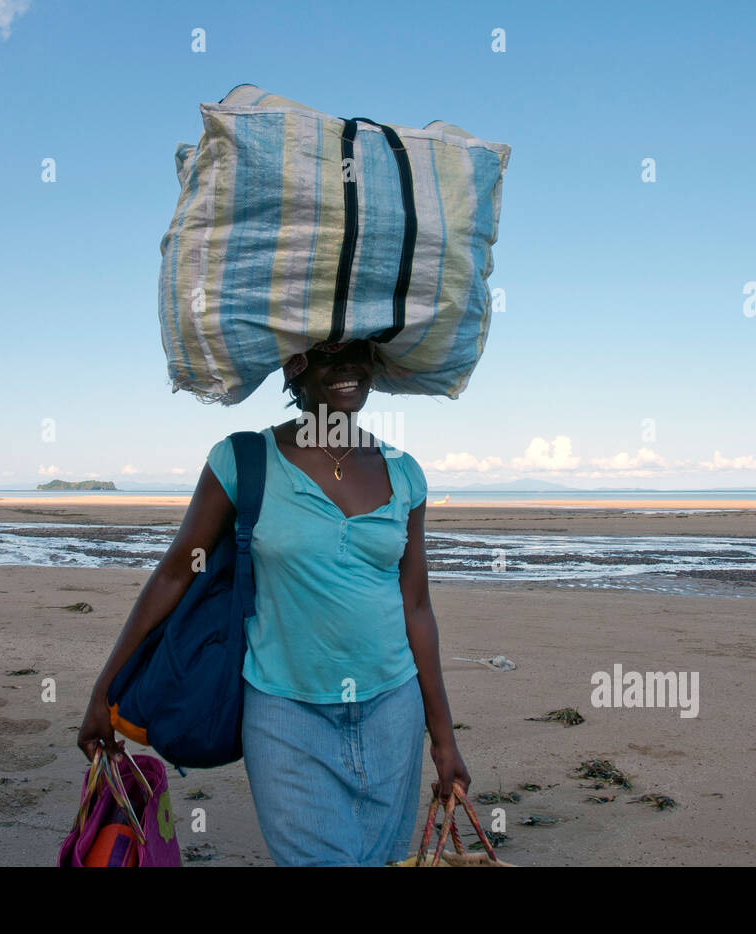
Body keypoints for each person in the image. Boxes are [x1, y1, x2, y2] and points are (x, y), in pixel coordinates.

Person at [78, 338, 469, 865]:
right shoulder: (243, 460)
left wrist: (442, 737)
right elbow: (175, 574)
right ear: (296, 366)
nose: (349, 366)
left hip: (392, 711)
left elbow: (417, 606)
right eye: (330, 352)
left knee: (382, 859)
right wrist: (105, 690)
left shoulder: (404, 473)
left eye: (361, 352)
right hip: (285, 713)